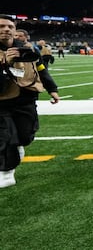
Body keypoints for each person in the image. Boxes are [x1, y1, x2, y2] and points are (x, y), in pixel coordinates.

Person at [0, 15, 60, 188]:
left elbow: (41, 69)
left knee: (25, 135)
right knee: (5, 136)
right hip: (2, 101)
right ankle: (6, 172)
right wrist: (4, 64)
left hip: (25, 99)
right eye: (1, 26)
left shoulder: (28, 49)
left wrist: (52, 88)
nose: (6, 29)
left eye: (10, 26)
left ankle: (19, 145)